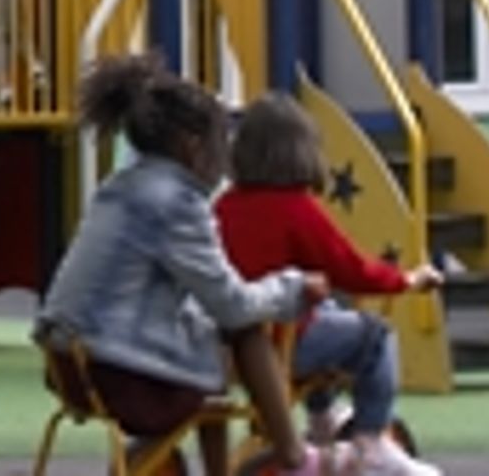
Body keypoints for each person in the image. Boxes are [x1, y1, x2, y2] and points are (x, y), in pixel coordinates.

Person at [37, 55, 334, 475]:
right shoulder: (177, 204)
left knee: (209, 345)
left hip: (69, 362)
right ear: (193, 146)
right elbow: (233, 304)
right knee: (245, 331)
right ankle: (294, 456)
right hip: (122, 375)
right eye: (221, 144)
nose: (226, 159)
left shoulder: (121, 187)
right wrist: (292, 288)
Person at [216, 95, 444, 476]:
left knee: (325, 313)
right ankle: (371, 442)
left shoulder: (225, 206)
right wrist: (406, 279)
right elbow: (350, 270)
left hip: (233, 346)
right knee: (374, 336)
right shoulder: (297, 207)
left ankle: (322, 419)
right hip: (282, 345)